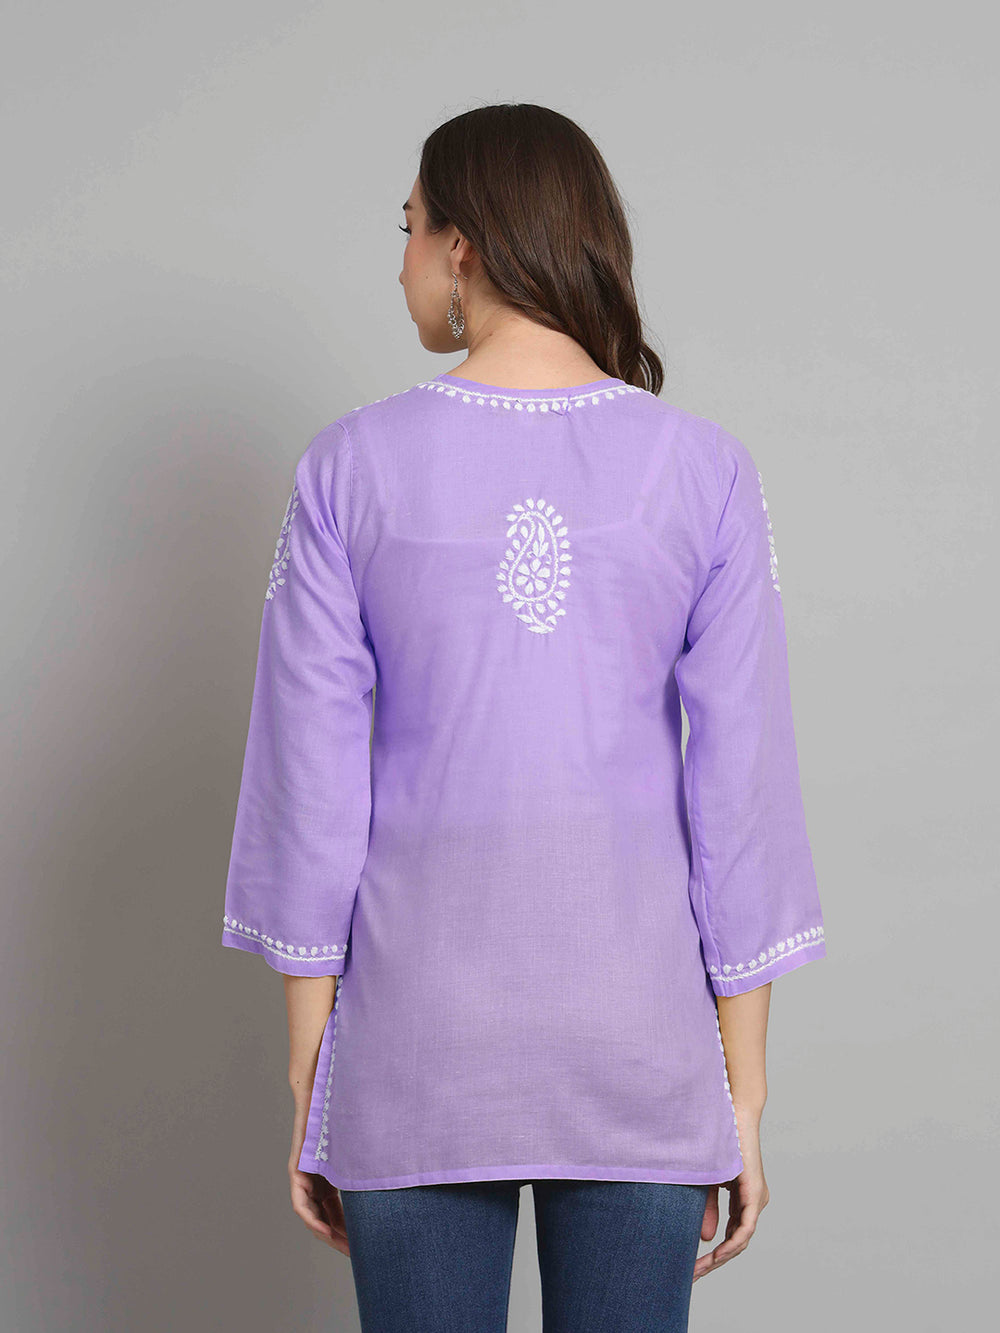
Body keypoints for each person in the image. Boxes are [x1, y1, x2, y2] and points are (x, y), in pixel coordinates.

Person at [221, 102, 827, 1332]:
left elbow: (311, 792)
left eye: (407, 228)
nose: (399, 260)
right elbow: (741, 797)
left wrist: (311, 1081)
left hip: (412, 1046)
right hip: (642, 1047)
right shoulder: (702, 468)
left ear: (460, 246)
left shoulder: (350, 466)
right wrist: (743, 1089)